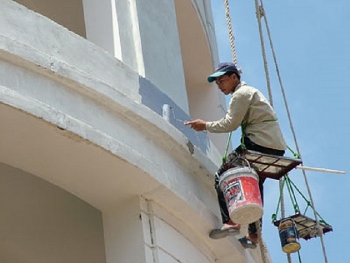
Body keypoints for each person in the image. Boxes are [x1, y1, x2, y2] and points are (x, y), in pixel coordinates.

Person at [184, 62, 286, 248]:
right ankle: (254, 237)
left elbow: (230, 124)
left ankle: (231, 223)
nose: (220, 85)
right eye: (218, 83)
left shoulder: (240, 94)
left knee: (223, 174)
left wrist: (204, 125)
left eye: (222, 80)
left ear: (234, 77)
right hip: (275, 146)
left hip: (259, 145)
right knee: (254, 184)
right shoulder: (249, 92)